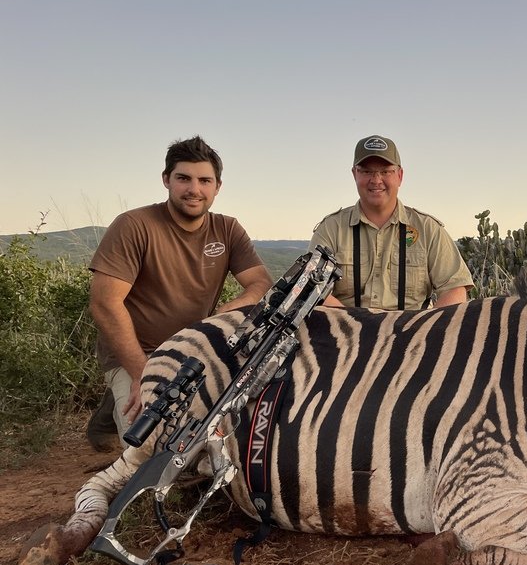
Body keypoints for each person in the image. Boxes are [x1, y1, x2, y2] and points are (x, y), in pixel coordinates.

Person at [87, 135, 273, 449]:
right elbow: (105, 304)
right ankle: (122, 390)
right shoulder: (134, 225)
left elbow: (261, 284)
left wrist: (234, 305)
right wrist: (142, 374)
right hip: (140, 353)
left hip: (195, 350)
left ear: (217, 187)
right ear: (166, 180)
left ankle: (112, 409)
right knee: (147, 447)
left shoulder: (227, 229)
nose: (194, 189)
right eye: (183, 178)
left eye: (204, 180)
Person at [310, 135, 473, 311]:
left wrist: (423, 331)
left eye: (385, 171)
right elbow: (312, 289)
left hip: (412, 334)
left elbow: (455, 289)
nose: (376, 180)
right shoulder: (331, 228)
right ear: (354, 174)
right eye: (366, 171)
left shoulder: (428, 229)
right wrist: (353, 326)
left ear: (400, 175)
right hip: (345, 333)